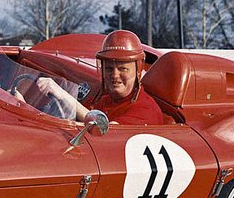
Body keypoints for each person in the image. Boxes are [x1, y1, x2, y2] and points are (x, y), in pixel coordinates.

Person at [31, 29, 163, 126]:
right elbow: (79, 120)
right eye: (109, 69)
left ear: (137, 71)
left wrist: (63, 95)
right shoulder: (105, 100)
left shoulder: (145, 110)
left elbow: (104, 131)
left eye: (123, 69)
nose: (115, 75)